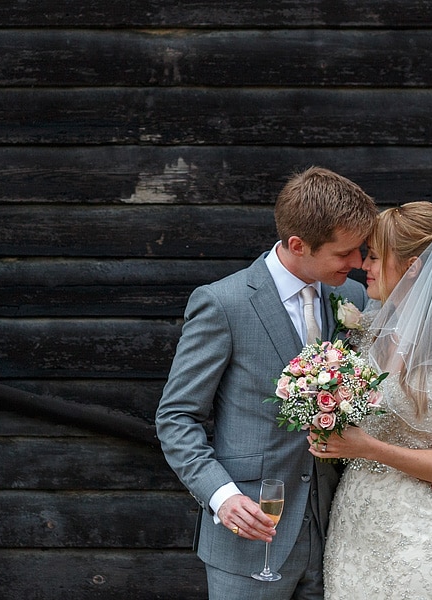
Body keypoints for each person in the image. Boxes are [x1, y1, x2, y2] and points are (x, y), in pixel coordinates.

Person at [155, 166, 378, 599]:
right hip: (253, 532)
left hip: (336, 532)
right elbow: (177, 417)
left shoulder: (353, 299)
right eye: (345, 252)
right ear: (298, 245)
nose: (358, 263)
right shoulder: (224, 304)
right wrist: (221, 497)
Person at [309, 201, 432, 599]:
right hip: (352, 523)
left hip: (412, 533)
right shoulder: (370, 327)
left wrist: (367, 447)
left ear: (413, 267)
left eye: (376, 257)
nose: (365, 266)